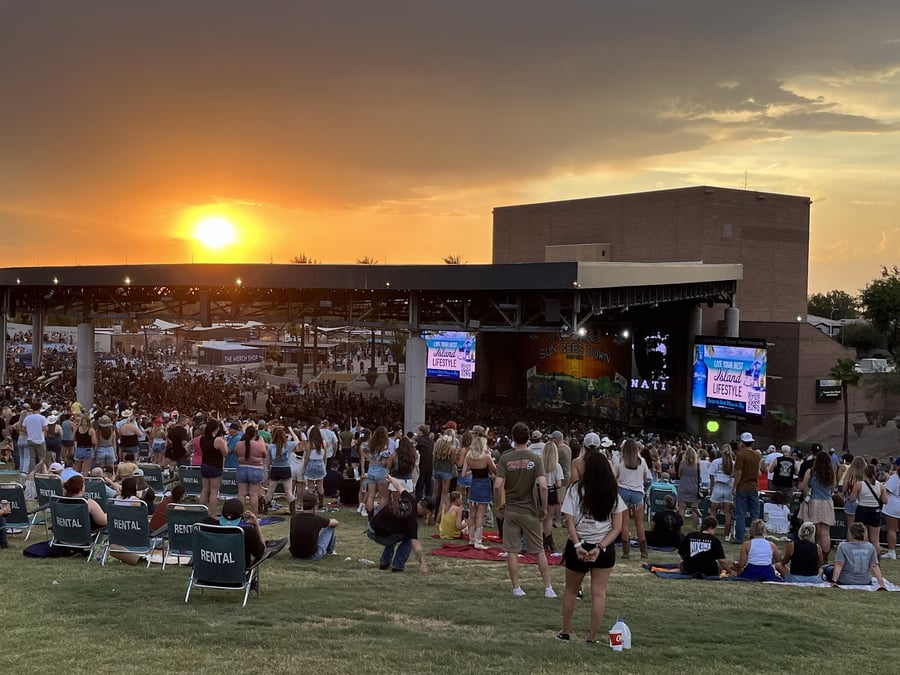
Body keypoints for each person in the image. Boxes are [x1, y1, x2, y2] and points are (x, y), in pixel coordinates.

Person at [556, 452, 626, 643]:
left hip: (579, 544)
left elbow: (569, 520)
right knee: (598, 592)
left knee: (571, 590)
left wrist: (577, 544)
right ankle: (592, 637)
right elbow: (617, 527)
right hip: (604, 547)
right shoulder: (612, 492)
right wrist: (600, 546)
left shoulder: (575, 489)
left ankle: (565, 632)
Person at [494, 421, 557, 598]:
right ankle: (548, 588)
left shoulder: (505, 458)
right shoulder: (535, 458)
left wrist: (499, 504)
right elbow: (543, 485)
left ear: (513, 438)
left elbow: (498, 486)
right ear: (528, 437)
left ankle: (516, 588)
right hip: (530, 510)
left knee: (512, 551)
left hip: (512, 510)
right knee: (539, 550)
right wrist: (543, 507)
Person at [368, 474, 428, 573]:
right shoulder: (412, 521)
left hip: (371, 527)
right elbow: (415, 544)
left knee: (395, 531)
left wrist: (391, 479)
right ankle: (397, 566)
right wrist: (422, 564)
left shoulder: (410, 498)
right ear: (425, 510)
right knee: (408, 539)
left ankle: (384, 563)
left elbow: (399, 486)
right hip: (379, 534)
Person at [203, 497, 266, 567]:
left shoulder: (205, 525)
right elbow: (261, 552)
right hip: (237, 572)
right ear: (242, 516)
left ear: (222, 513)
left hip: (208, 570)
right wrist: (256, 524)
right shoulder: (247, 533)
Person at [614, 438, 650, 559]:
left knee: (625, 524)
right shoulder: (642, 462)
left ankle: (626, 552)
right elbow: (645, 478)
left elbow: (616, 477)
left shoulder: (621, 462)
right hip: (637, 493)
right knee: (639, 524)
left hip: (623, 492)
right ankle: (643, 552)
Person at [798, 450, 836, 560]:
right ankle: (825, 555)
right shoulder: (831, 473)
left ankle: (816, 553)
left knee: (815, 531)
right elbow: (833, 488)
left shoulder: (811, 472)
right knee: (826, 532)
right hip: (827, 502)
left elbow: (803, 487)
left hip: (814, 501)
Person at [827, 522, 887, 589]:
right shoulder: (870, 547)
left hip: (845, 580)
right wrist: (881, 583)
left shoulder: (843, 546)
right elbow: (874, 566)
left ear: (850, 533)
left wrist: (834, 581)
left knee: (827, 568)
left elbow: (839, 564)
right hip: (865, 581)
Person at [461, 434, 496, 550]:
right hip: (484, 485)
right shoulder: (486, 457)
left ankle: (471, 539)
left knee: (472, 514)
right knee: (480, 515)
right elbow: (495, 471)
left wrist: (472, 472)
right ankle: (478, 541)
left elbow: (463, 474)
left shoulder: (468, 456)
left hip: (474, 484)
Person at [289, 490, 339, 560]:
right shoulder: (317, 519)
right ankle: (330, 551)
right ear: (316, 504)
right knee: (330, 527)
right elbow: (336, 522)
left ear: (302, 503)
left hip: (295, 555)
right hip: (313, 556)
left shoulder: (294, 518)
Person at [732, 432, 761, 545]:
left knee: (741, 513)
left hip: (743, 486)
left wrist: (735, 486)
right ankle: (756, 536)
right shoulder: (757, 455)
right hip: (754, 486)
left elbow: (738, 472)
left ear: (742, 443)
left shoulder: (740, 455)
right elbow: (759, 472)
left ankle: (739, 538)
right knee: (755, 514)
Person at [850, 463, 886, 551]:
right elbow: (885, 501)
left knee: (863, 537)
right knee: (875, 540)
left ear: (864, 473)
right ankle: (875, 557)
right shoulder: (881, 486)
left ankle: (864, 555)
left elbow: (852, 499)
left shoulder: (859, 485)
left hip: (862, 509)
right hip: (875, 510)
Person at [265, 425, 299, 514]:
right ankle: (293, 511)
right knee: (289, 492)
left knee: (270, 491)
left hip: (275, 469)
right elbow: (297, 441)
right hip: (285, 469)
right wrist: (291, 430)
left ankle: (265, 509)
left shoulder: (270, 446)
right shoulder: (288, 445)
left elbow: (268, 461)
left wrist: (267, 471)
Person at [236, 424, 267, 517]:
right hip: (256, 469)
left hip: (242, 469)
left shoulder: (239, 444)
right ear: (255, 434)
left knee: (241, 494)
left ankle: (239, 515)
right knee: (253, 495)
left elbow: (236, 453)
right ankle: (255, 516)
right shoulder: (259, 445)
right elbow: (264, 455)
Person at [199, 419, 228, 517]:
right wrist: (224, 442)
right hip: (215, 466)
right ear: (216, 428)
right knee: (214, 491)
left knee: (204, 490)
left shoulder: (202, 439)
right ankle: (213, 514)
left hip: (205, 465)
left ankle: (201, 512)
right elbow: (225, 453)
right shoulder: (218, 440)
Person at [363, 426, 393, 518]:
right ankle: (380, 517)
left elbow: (362, 449)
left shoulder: (371, 445)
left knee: (371, 495)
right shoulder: (384, 446)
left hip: (371, 469)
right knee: (383, 496)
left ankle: (370, 517)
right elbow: (384, 463)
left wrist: (370, 459)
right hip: (381, 471)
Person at [708, 444, 735, 541]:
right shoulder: (733, 463)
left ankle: (711, 532)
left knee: (713, 512)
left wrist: (711, 489)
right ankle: (727, 535)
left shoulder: (715, 462)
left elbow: (711, 477)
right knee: (727, 513)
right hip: (728, 487)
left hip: (717, 487)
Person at [432, 427, 456, 522]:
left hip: (437, 470)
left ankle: (430, 514)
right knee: (444, 495)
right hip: (446, 472)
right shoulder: (452, 448)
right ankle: (439, 517)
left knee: (434, 494)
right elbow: (452, 462)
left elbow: (433, 457)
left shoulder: (437, 444)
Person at [882, 458, 900, 560]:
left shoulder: (895, 477)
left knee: (891, 529)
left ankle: (891, 552)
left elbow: (886, 490)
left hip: (894, 506)